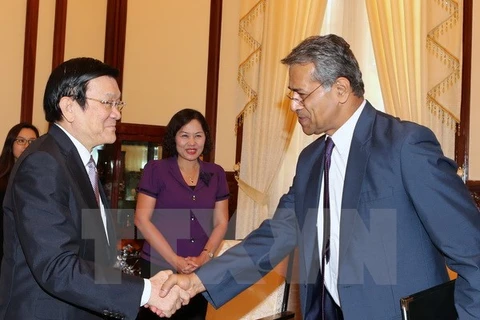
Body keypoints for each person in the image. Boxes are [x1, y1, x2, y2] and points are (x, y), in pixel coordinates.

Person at [158, 35, 480, 320]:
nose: (293, 104)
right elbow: (273, 237)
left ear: (340, 89)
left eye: (300, 94)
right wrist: (197, 280)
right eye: (291, 94)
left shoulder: (404, 145)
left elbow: (472, 250)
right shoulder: (310, 161)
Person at [0, 57, 189, 320]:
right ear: (69, 107)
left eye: (118, 103)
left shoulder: (80, 162)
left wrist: (139, 285)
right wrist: (146, 291)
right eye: (108, 102)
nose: (117, 113)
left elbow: (95, 255)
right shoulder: (43, 163)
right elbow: (56, 266)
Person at [135, 108, 229, 320]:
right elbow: (141, 219)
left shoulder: (216, 174)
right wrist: (175, 260)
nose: (192, 143)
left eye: (198, 135)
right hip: (159, 266)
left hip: (200, 270)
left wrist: (205, 256)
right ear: (174, 138)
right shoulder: (156, 169)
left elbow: (221, 222)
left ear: (206, 138)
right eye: (184, 135)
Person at [0, 122, 39, 273]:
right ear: (11, 144)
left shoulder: (43, 175)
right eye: (21, 140)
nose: (26, 145)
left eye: (32, 141)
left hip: (28, 251)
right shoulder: (2, 176)